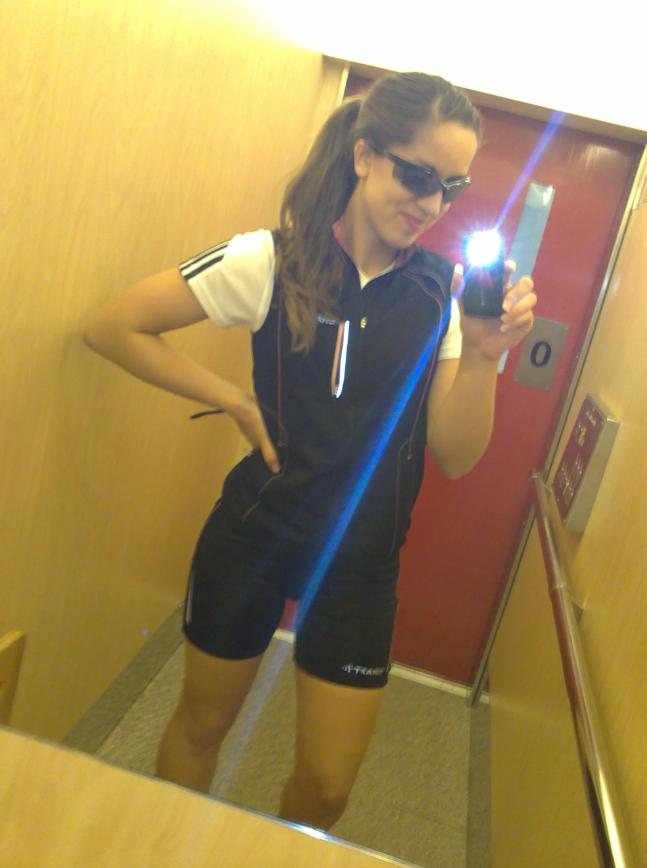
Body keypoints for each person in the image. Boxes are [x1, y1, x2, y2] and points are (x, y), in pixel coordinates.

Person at [84, 71, 536, 831]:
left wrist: (486, 356)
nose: (430, 205)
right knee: (202, 725)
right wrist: (233, 399)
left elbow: (456, 455)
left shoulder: (443, 294)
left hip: (361, 565)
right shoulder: (269, 259)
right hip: (253, 537)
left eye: (450, 188)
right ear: (364, 155)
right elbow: (114, 326)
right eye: (415, 175)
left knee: (327, 787)